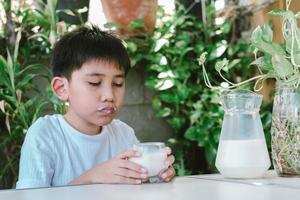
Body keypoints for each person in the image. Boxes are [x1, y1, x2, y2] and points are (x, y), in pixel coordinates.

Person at [16, 25, 175, 189]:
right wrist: (92, 177)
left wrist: (154, 176)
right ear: (61, 88)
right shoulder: (45, 135)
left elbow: (136, 189)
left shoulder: (123, 134)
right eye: (95, 83)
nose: (109, 95)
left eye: (117, 84)